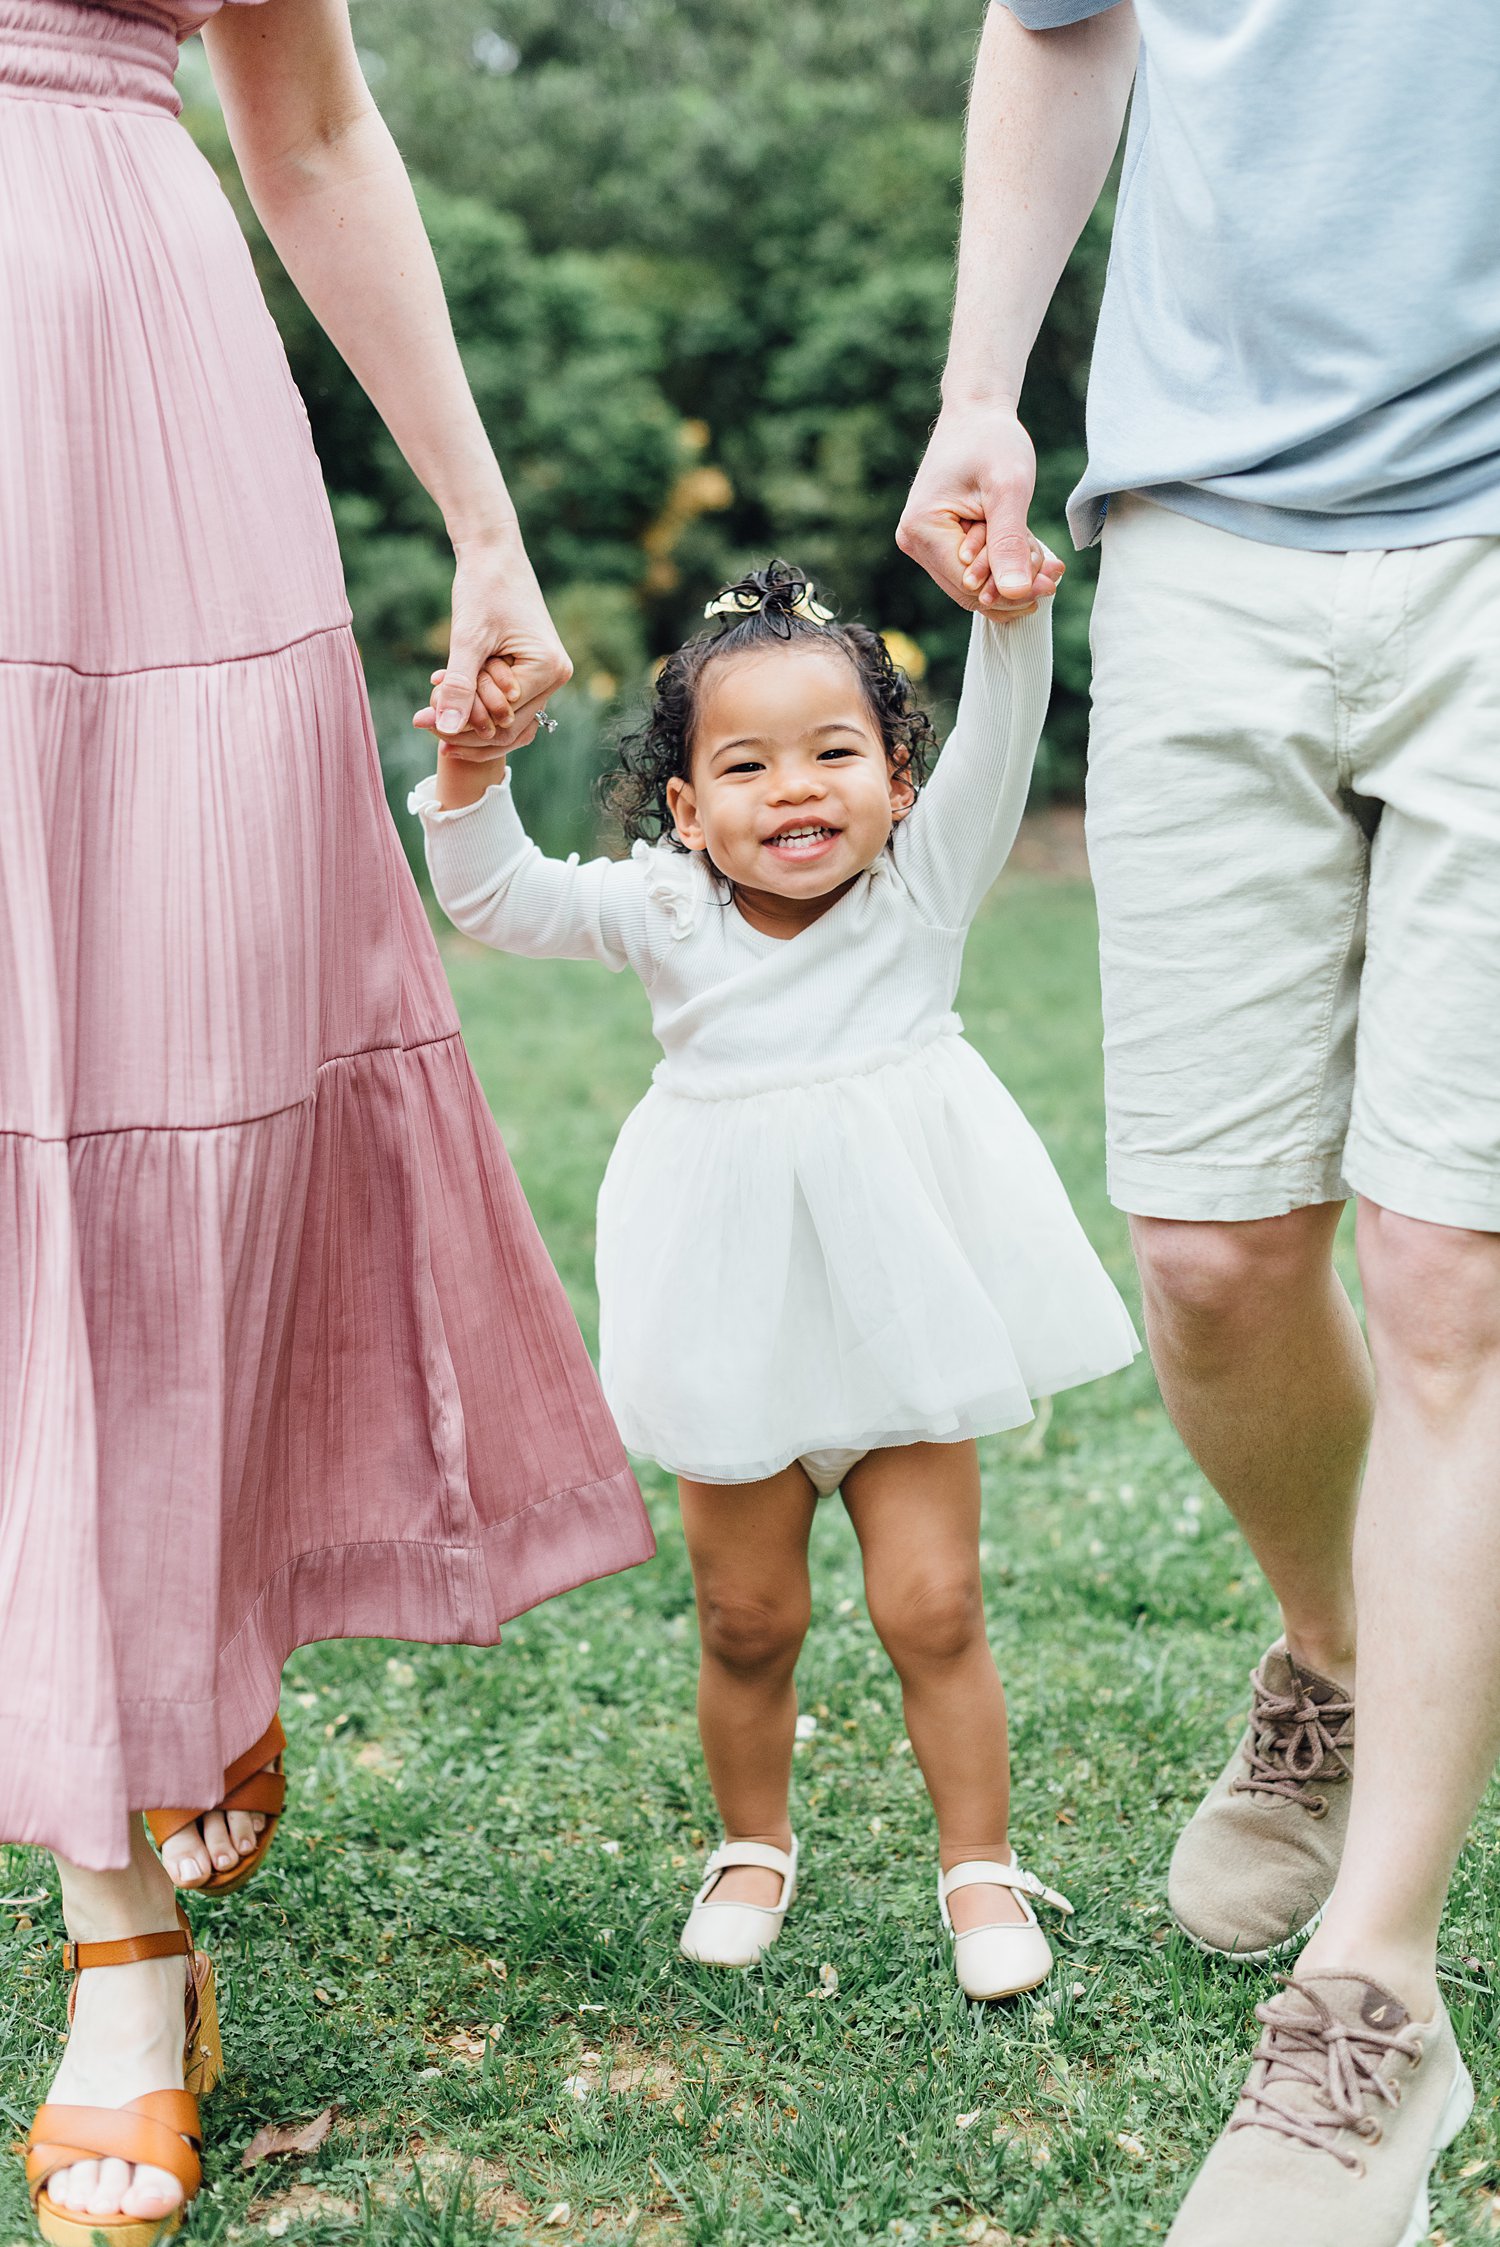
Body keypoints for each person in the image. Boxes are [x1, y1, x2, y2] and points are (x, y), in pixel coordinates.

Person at [3, 2, 654, 2238]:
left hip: (135, 422)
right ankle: (154, 1658)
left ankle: (124, 1926)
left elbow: (312, 119)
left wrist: (485, 526)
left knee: (165, 1090)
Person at [898, 4, 1500, 2241]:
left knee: (1452, 1270)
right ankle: (1337, 1653)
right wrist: (983, 381)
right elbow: (1060, 26)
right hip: (1200, 535)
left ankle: (1375, 1999)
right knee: (1217, 1257)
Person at [411, 558, 1137, 1999]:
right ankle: (753, 1847)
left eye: (834, 754)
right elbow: (494, 896)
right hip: (731, 1321)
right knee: (748, 1621)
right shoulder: (665, 910)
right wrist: (472, 766)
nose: (795, 789)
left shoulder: (920, 891)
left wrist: (1008, 614)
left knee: (933, 1605)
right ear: (687, 810)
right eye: (745, 766)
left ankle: (979, 1867)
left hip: (898, 1326)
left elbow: (1006, 734)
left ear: (900, 784)